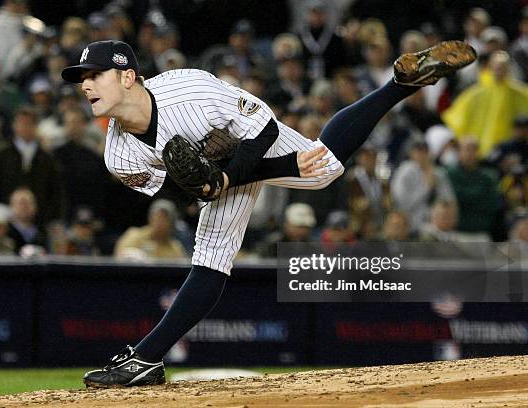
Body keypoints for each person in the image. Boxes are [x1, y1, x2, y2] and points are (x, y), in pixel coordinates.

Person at [60, 38, 476, 387]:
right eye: (81, 78)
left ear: (127, 76)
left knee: (323, 168)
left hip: (252, 139)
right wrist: (213, 183)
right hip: (222, 175)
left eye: (94, 75)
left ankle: (399, 85)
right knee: (210, 257)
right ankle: (146, 359)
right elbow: (189, 190)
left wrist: (272, 169)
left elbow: (265, 127)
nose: (85, 85)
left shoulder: (190, 91)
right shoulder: (118, 155)